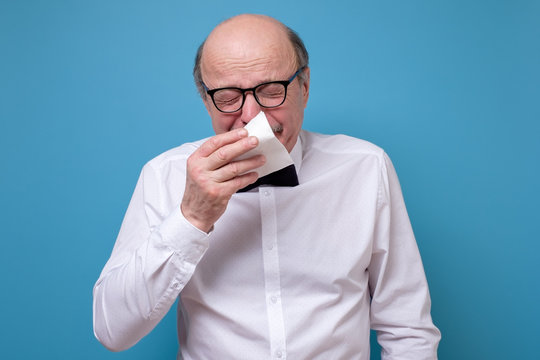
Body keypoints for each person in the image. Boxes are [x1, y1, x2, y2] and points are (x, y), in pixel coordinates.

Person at [93, 14, 441, 360]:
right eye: (228, 97)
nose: (251, 116)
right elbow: (113, 331)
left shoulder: (366, 167)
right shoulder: (163, 175)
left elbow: (408, 327)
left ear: (304, 87)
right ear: (205, 100)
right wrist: (191, 218)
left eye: (271, 91)